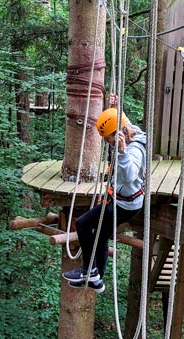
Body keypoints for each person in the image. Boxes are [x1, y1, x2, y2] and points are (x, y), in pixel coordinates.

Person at [62, 96, 146, 293]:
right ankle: (96, 278)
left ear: (117, 135)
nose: (108, 143)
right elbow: (124, 123)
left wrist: (122, 152)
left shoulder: (133, 150)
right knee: (100, 235)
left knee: (82, 224)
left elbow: (129, 175)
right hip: (125, 201)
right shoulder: (133, 132)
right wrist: (116, 109)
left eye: (108, 139)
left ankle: (90, 271)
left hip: (124, 205)